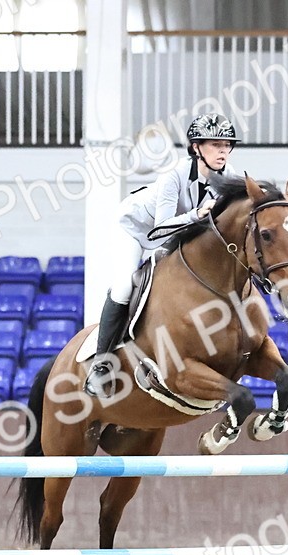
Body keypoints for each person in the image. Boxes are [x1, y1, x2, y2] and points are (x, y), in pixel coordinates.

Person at [84, 112, 241, 398]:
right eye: (215, 144)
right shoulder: (174, 175)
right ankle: (100, 365)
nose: (223, 151)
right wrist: (196, 214)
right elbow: (160, 231)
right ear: (196, 148)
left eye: (227, 145)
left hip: (178, 237)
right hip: (136, 231)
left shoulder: (230, 178)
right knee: (124, 287)